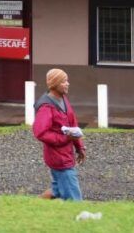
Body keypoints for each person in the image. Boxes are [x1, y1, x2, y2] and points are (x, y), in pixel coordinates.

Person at [32, 68, 86, 201]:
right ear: (55, 84)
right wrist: (64, 138)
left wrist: (79, 147)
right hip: (58, 158)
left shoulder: (63, 99)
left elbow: (72, 125)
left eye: (67, 81)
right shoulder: (46, 107)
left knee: (57, 189)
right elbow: (40, 132)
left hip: (67, 154)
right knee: (74, 199)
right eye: (64, 81)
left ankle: (33, 203)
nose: (67, 84)